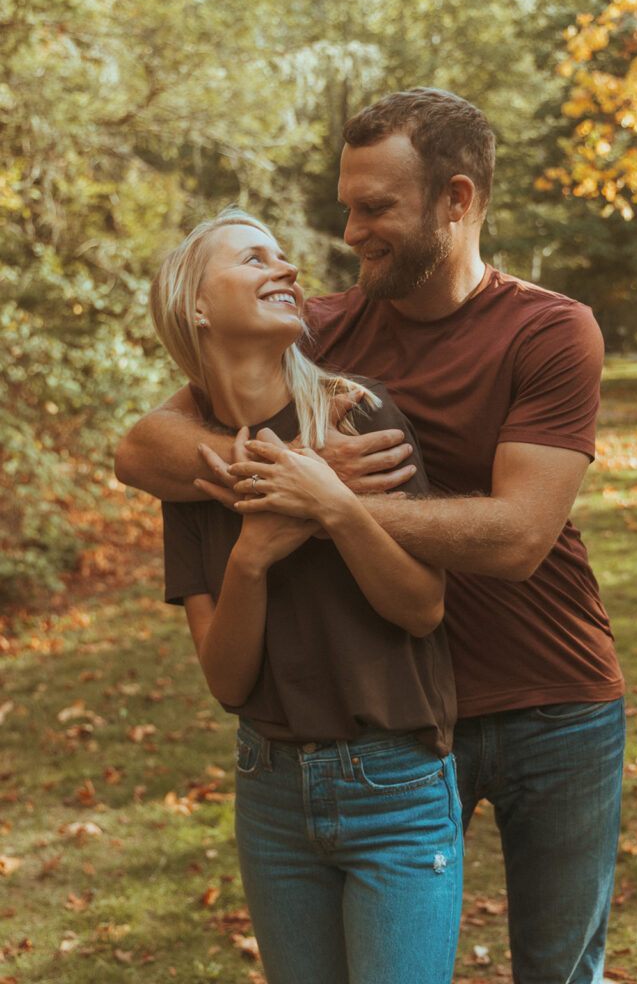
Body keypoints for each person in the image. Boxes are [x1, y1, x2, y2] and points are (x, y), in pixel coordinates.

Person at [116, 88, 626, 984]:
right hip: (397, 718)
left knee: (556, 970)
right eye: (347, 206)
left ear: (456, 201)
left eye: (376, 208)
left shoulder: (549, 330)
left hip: (553, 699)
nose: (350, 232)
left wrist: (324, 501)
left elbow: (516, 540)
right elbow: (143, 444)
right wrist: (278, 482)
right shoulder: (321, 327)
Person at [147, 206, 462, 984]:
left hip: (395, 783)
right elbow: (225, 681)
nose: (285, 269)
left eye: (283, 258)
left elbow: (422, 608)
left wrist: (335, 508)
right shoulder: (189, 472)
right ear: (195, 304)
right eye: (254, 258)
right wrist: (251, 556)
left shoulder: (357, 414)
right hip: (271, 795)